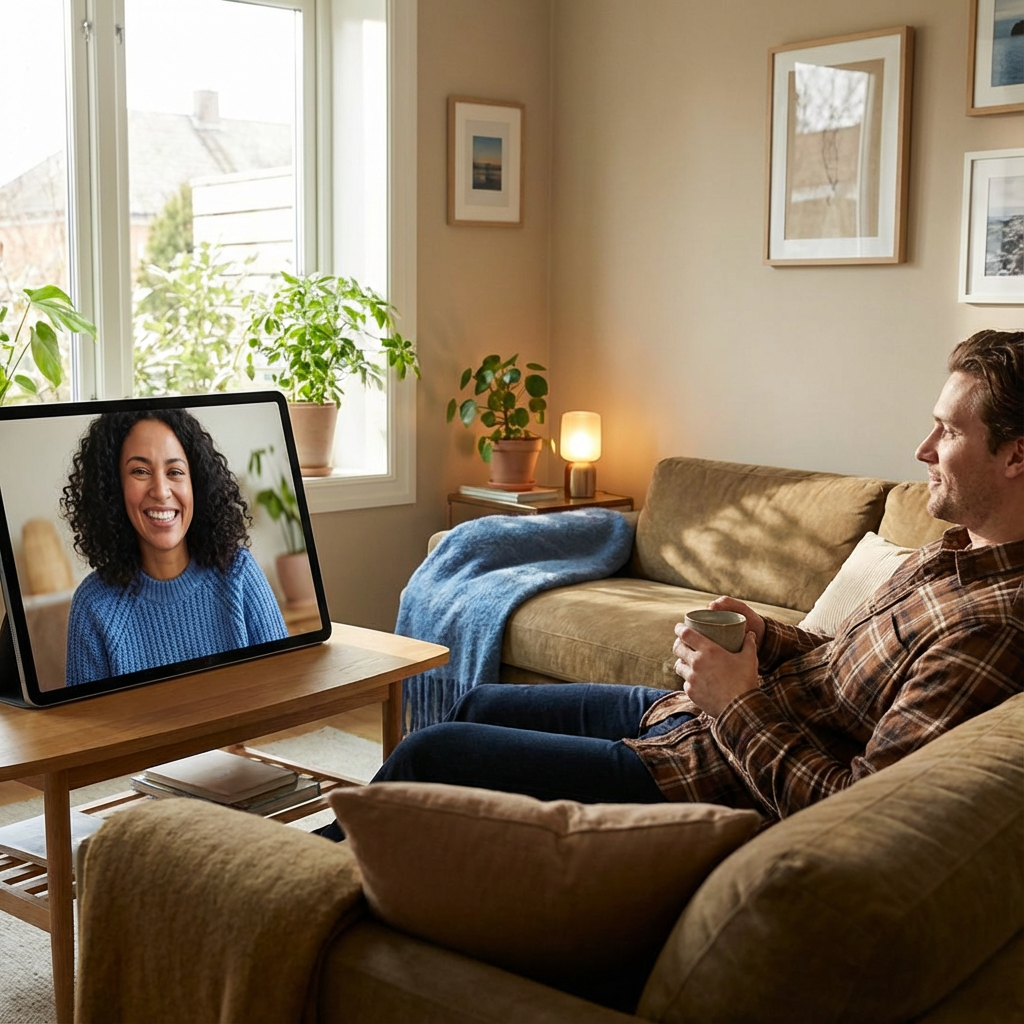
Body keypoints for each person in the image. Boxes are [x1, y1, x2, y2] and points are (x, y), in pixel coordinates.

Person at [315, 330, 1023, 840]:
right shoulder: (951, 551)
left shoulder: (992, 626)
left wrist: (737, 700)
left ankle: (318, 882)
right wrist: (762, 634)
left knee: (429, 756)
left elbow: (858, 810)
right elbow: (834, 659)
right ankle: (419, 850)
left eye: (948, 433)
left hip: (706, 771)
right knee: (473, 703)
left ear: (1016, 455)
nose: (922, 451)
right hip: (685, 720)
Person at [61, 408, 288, 686]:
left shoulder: (237, 572)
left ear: (197, 484)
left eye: (175, 471)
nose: (161, 490)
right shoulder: (94, 605)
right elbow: (87, 725)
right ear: (113, 488)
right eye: (140, 471)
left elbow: (285, 691)